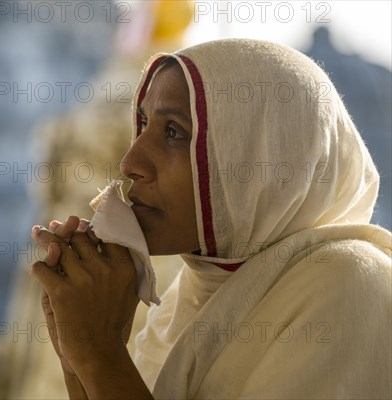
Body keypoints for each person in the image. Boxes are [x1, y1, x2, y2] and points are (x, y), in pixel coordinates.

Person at [30, 39, 392, 399]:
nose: (130, 163)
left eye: (174, 132)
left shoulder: (349, 283)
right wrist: (77, 351)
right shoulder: (189, 299)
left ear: (259, 160)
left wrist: (102, 355)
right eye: (142, 125)